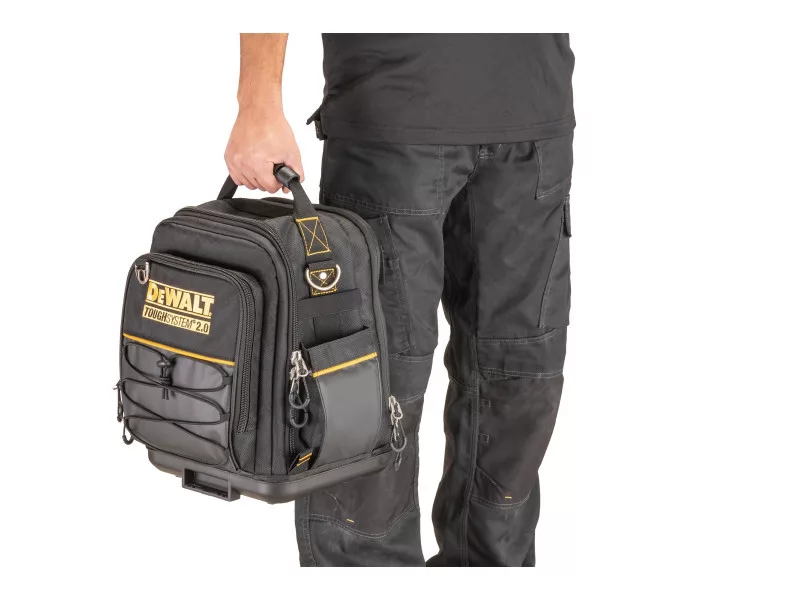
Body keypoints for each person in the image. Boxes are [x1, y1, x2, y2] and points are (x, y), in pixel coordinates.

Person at [225, 33, 575, 567]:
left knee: (522, 381)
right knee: (367, 396)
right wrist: (258, 102)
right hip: (389, 122)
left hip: (533, 126)